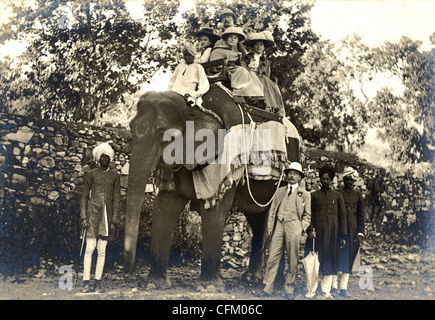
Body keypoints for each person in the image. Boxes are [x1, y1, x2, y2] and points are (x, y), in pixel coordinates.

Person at [262, 162, 311, 297]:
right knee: (272, 256)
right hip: (279, 224)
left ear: (300, 177)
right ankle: (268, 287)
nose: (291, 176)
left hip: (294, 226)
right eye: (289, 173)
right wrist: (270, 227)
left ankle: (289, 288)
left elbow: (307, 215)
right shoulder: (280, 191)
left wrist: (301, 228)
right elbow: (272, 211)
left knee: (292, 258)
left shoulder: (305, 194)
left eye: (295, 174)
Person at [80, 142, 120, 293]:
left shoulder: (115, 176)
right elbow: (84, 197)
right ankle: (85, 281)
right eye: (102, 156)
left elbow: (117, 199)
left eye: (108, 157)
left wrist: (115, 219)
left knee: (102, 250)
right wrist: (83, 217)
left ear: (110, 159)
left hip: (107, 218)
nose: (105, 159)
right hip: (92, 216)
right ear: (98, 158)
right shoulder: (91, 174)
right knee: (89, 249)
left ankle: (97, 281)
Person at [305, 165, 347, 299]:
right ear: (319, 179)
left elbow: (342, 217)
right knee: (314, 262)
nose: (325, 181)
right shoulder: (313, 195)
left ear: (332, 180)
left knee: (330, 261)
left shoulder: (337, 195)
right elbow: (308, 214)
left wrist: (343, 236)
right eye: (323, 179)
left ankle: (326, 290)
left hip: (333, 235)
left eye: (328, 179)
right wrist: (310, 230)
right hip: (317, 235)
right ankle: (311, 290)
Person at [209, 26, 265, 103]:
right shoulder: (218, 50)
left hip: (232, 70)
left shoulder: (236, 52)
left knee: (251, 74)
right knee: (240, 70)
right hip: (222, 71)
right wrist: (227, 64)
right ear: (226, 39)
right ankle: (239, 94)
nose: (233, 39)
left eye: (235, 38)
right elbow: (214, 65)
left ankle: (255, 95)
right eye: (230, 37)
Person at [334, 166, 365, 298]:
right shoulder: (337, 192)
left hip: (353, 231)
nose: (349, 182)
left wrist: (360, 233)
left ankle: (343, 288)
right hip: (338, 230)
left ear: (354, 181)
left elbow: (361, 215)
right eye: (347, 179)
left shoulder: (358, 195)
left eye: (352, 180)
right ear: (343, 179)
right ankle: (333, 286)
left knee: (349, 258)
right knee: (336, 256)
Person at [244, 31, 285, 116]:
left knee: (272, 84)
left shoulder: (266, 62)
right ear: (253, 46)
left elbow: (267, 75)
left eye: (261, 45)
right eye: (256, 44)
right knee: (265, 81)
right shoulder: (247, 58)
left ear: (263, 47)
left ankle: (277, 108)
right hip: (250, 79)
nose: (259, 47)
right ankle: (270, 105)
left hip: (262, 82)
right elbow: (244, 70)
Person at [168, 43, 210, 107]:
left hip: (187, 95)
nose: (186, 57)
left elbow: (204, 85)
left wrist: (193, 94)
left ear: (193, 55)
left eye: (189, 55)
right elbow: (172, 81)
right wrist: (169, 92)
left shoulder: (198, 67)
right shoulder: (180, 66)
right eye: (185, 55)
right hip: (174, 93)